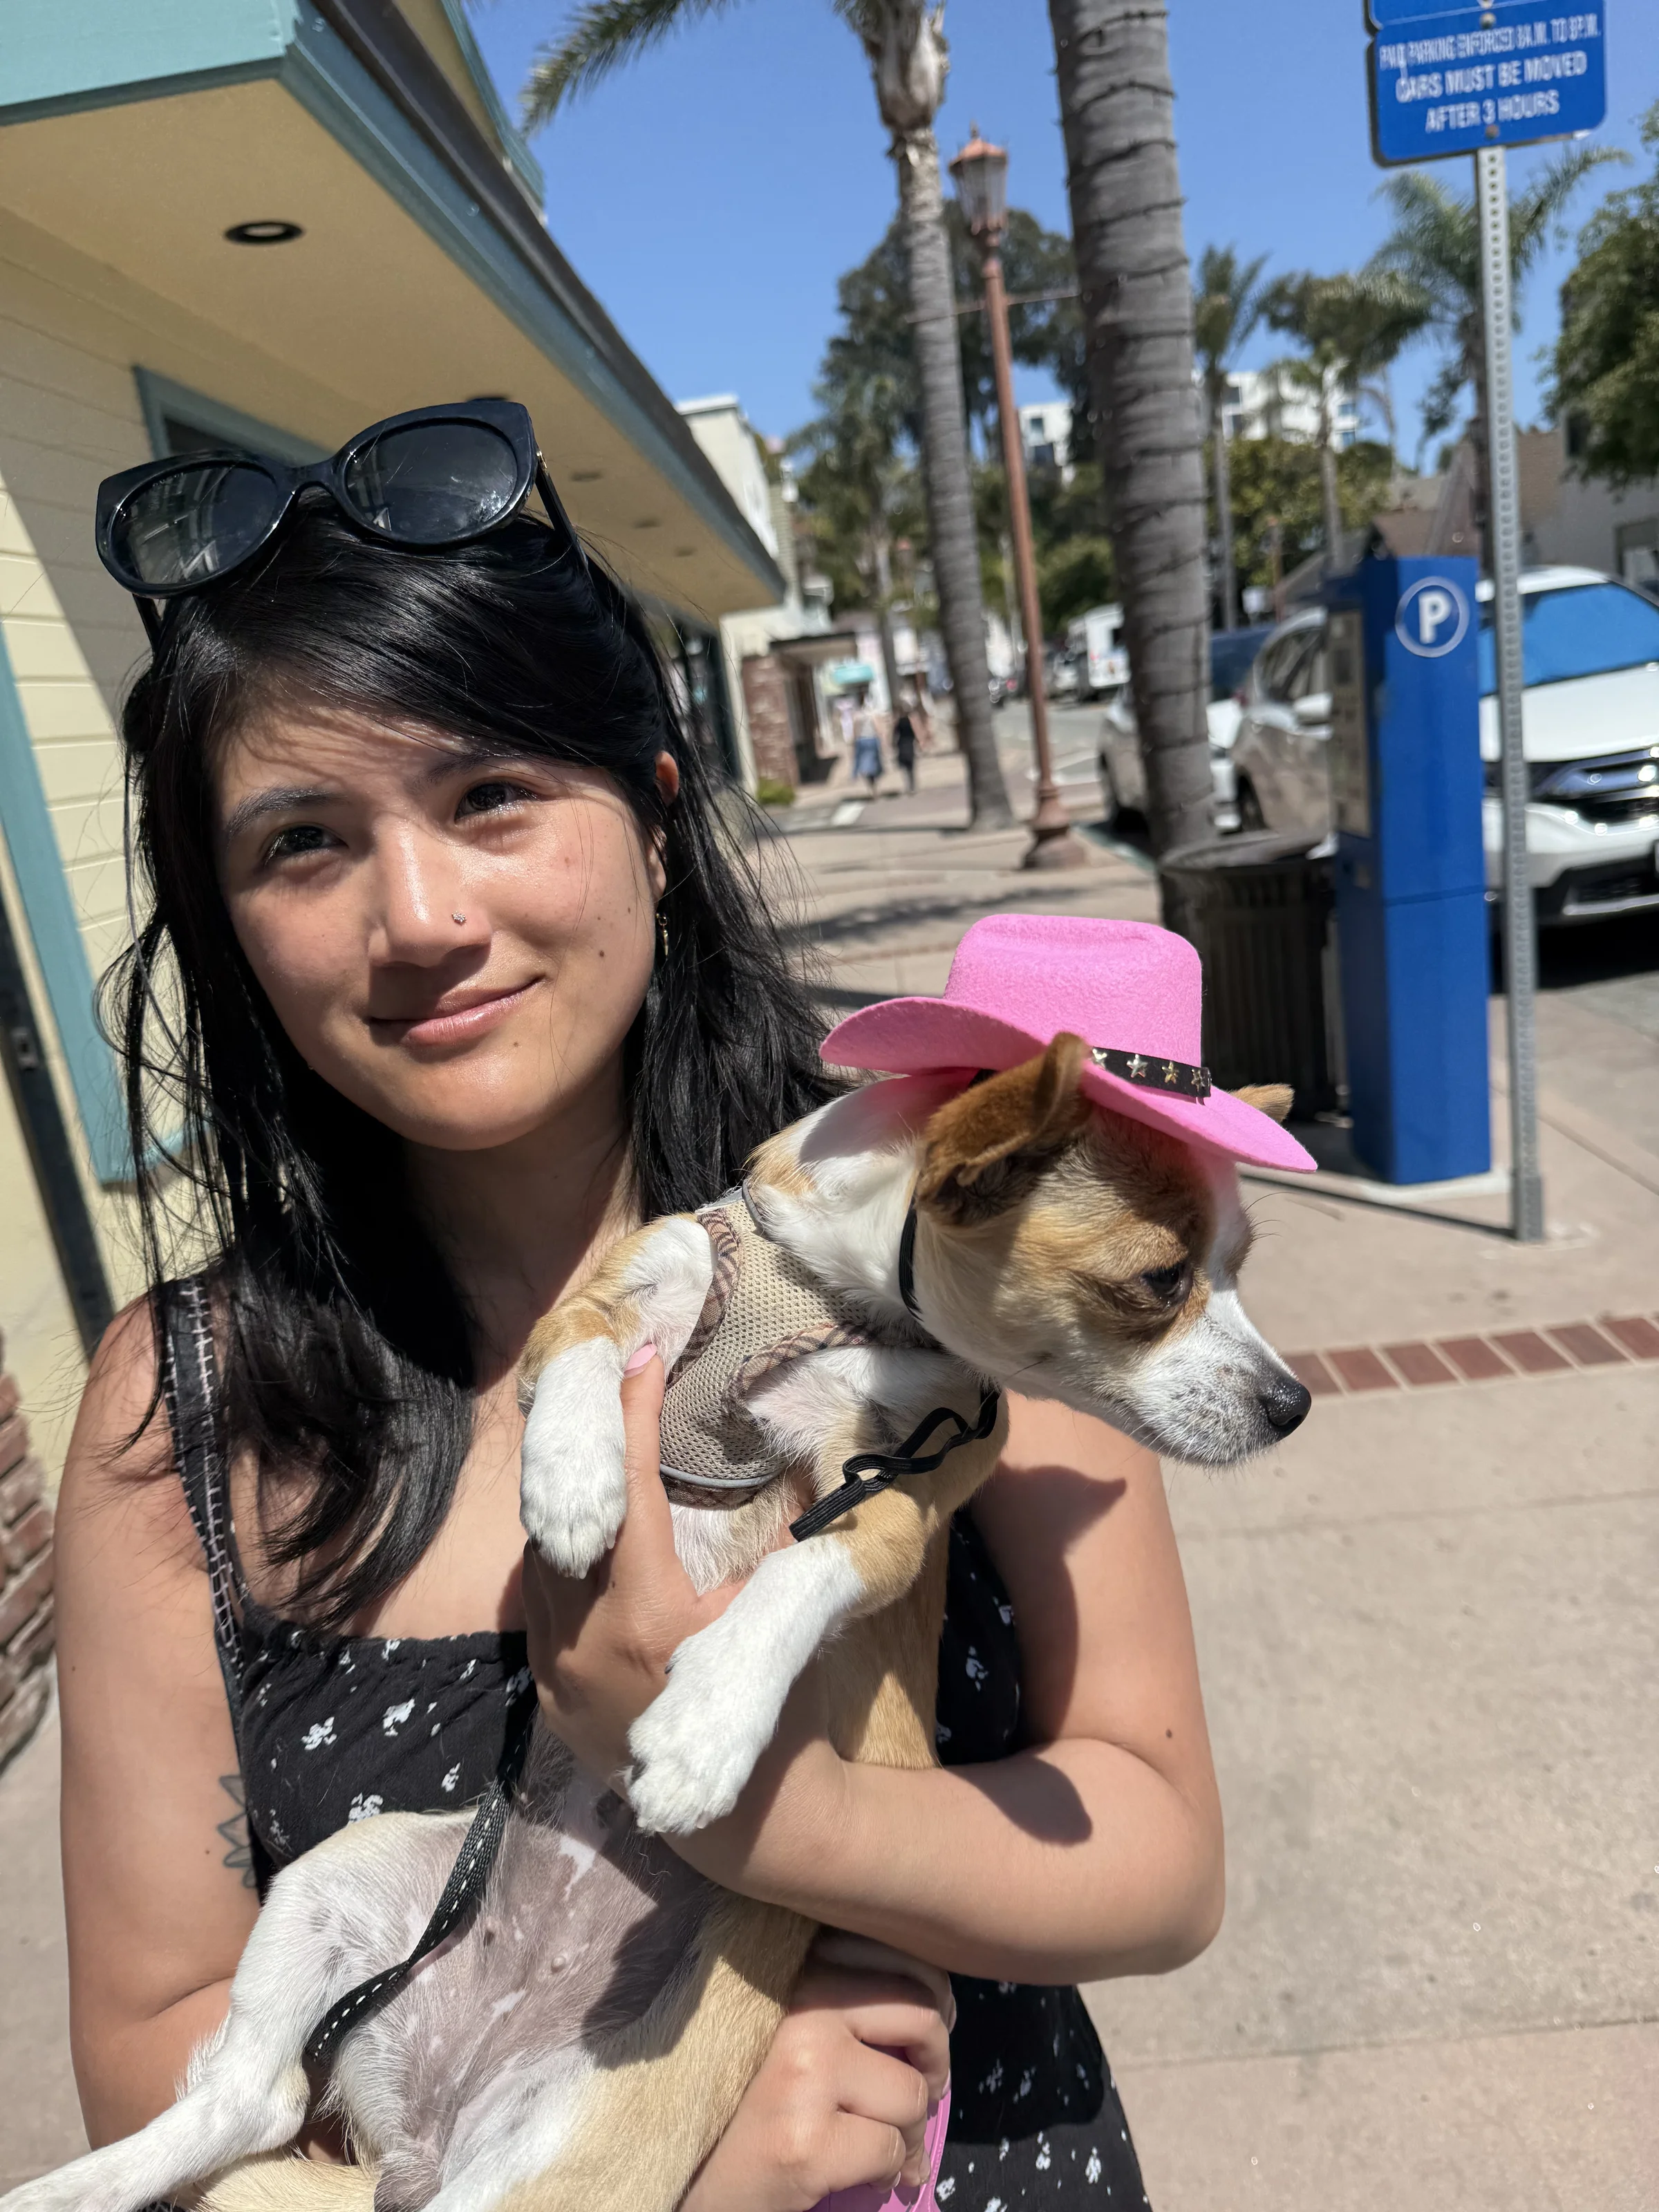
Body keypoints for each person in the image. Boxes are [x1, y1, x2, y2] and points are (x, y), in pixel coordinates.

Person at [59, 401, 1223, 2212]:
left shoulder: (964, 1251)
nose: (421, 914)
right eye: (303, 843)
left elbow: (1155, 1848)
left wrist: (778, 1816)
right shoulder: (189, 1412)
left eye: (490, 796)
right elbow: (159, 2039)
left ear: (657, 822)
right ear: (229, 928)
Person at [850, 697, 884, 794]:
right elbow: (877, 727)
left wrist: (854, 742)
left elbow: (855, 730)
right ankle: (873, 785)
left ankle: (871, 785)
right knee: (875, 763)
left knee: (864, 765)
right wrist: (881, 738)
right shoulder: (871, 714)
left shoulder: (857, 715)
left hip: (862, 740)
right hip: (872, 739)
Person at [891, 705, 918, 794]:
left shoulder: (898, 723)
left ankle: (908, 786)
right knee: (911, 768)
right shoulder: (909, 722)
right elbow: (914, 734)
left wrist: (893, 745)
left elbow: (895, 735)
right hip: (909, 746)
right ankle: (913, 786)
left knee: (905, 769)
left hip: (902, 746)